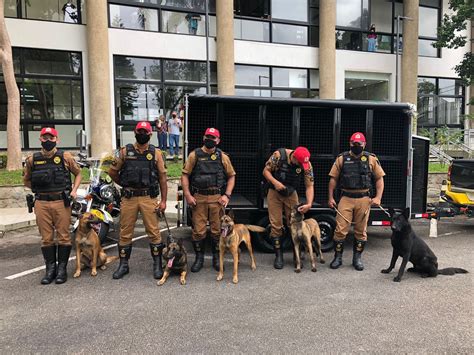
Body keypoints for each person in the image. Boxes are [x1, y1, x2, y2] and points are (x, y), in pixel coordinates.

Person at [108, 121, 168, 280]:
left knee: (154, 232)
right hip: (129, 198)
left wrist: (163, 201)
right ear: (135, 133)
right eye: (139, 131)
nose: (142, 134)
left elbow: (162, 178)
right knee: (125, 232)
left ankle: (157, 264)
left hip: (149, 198)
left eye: (145, 132)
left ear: (150, 134)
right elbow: (112, 172)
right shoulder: (124, 152)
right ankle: (123, 265)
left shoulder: (156, 153)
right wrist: (124, 183)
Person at [23, 127, 82, 285]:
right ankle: (50, 270)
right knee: (46, 238)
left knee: (63, 236)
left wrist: (74, 190)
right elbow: (26, 180)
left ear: (57, 140)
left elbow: (78, 173)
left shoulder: (65, 156)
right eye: (45, 138)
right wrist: (38, 188)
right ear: (40, 139)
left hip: (61, 202)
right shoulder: (32, 159)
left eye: (51, 138)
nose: (48, 141)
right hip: (41, 203)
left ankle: (62, 269)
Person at [327, 132, 385, 271]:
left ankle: (357, 259)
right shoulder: (342, 159)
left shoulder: (371, 159)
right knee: (340, 230)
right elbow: (333, 179)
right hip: (346, 198)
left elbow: (379, 179)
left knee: (361, 231)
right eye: (354, 143)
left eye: (359, 143)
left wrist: (378, 197)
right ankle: (337, 257)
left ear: (364, 144)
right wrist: (330, 197)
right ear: (350, 143)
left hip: (364, 198)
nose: (356, 146)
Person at [181, 128, 236, 273]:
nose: (210, 139)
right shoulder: (195, 155)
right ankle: (199, 258)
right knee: (198, 231)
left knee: (217, 231)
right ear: (203, 137)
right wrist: (187, 194)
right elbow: (185, 175)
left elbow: (231, 176)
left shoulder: (222, 157)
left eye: (213, 137)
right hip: (198, 198)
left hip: (216, 199)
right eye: (208, 136)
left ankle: (216, 258)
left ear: (218, 140)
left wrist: (227, 195)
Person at [262, 146, 314, 269]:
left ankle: (296, 255)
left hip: (291, 193)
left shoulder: (306, 164)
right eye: (300, 164)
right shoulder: (279, 156)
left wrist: (309, 203)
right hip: (274, 191)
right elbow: (266, 171)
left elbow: (309, 185)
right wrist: (276, 183)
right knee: (276, 224)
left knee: (295, 224)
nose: (302, 166)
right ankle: (278, 255)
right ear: (294, 158)